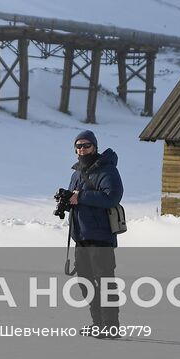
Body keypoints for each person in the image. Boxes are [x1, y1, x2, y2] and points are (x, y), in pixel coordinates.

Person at [67, 130, 124, 331]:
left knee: (104, 281)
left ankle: (110, 325)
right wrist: (66, 202)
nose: (82, 150)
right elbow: (75, 199)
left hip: (101, 236)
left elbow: (112, 197)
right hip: (80, 235)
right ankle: (97, 323)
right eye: (79, 146)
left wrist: (80, 196)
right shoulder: (75, 173)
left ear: (95, 147)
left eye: (86, 145)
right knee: (85, 281)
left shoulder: (107, 170)